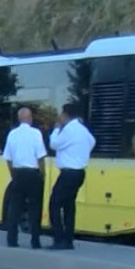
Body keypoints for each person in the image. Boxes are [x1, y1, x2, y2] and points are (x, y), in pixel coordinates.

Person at [47, 103, 96, 250]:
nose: (60, 117)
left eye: (61, 114)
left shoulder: (68, 129)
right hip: (80, 172)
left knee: (54, 205)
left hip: (68, 173)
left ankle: (59, 239)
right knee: (69, 206)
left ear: (66, 115)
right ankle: (68, 240)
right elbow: (92, 141)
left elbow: (54, 144)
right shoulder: (82, 129)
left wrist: (56, 129)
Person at [2, 106, 47, 249]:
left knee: (14, 207)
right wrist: (42, 174)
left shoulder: (12, 134)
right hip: (33, 174)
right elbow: (40, 157)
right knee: (35, 208)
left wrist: (13, 174)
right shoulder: (36, 133)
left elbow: (8, 158)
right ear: (30, 118)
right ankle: (35, 241)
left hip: (18, 173)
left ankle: (12, 240)